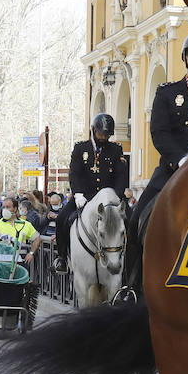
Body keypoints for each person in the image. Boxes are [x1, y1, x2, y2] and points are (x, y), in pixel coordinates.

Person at [123, 29, 188, 291]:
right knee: (136, 219)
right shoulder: (167, 93)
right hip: (172, 171)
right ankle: (131, 288)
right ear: (186, 58)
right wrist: (182, 161)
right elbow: (159, 133)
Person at [54, 113, 128, 272]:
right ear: (93, 130)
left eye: (106, 134)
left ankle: (130, 262)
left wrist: (117, 195)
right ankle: (61, 258)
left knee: (132, 220)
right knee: (62, 219)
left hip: (110, 199)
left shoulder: (116, 149)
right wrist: (78, 193)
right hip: (85, 196)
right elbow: (75, 172)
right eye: (101, 133)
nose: (103, 137)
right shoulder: (81, 148)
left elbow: (121, 175)